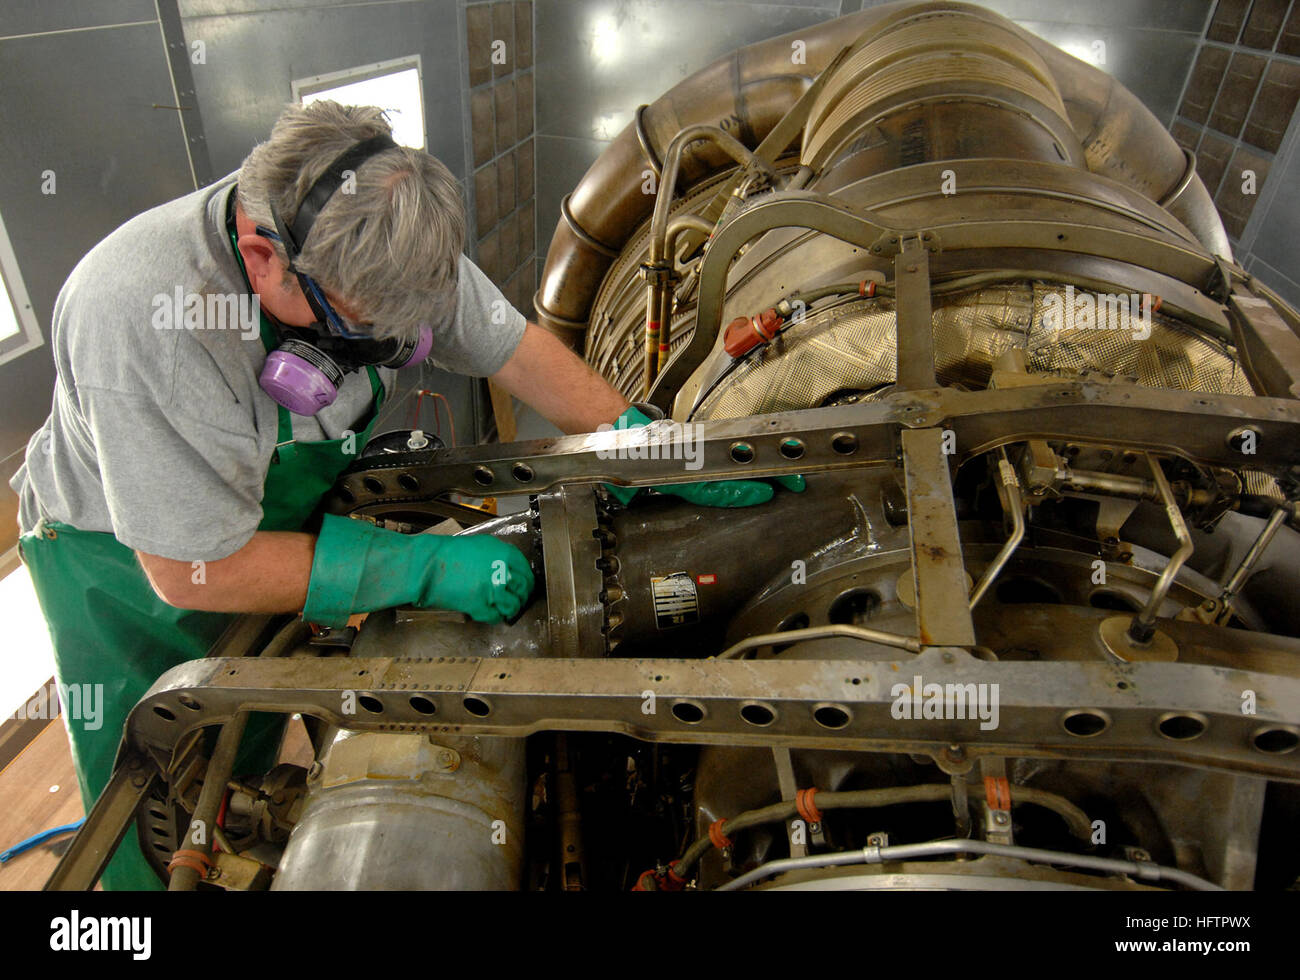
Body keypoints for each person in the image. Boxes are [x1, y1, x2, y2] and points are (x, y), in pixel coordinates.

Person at [10, 100, 799, 889]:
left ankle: (226, 838)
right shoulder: (140, 320)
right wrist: (416, 567)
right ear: (262, 259)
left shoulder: (381, 227)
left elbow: (515, 352)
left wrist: (652, 448)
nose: (386, 353)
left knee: (238, 732)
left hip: (266, 521)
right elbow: (190, 572)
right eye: (359, 335)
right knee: (150, 783)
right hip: (122, 570)